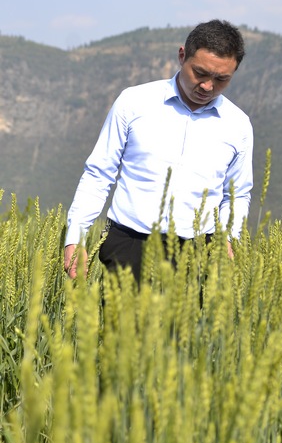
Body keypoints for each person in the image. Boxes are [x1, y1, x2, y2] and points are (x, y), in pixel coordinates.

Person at [64, 19, 253, 282]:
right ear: (181, 56)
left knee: (190, 326)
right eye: (200, 73)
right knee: (123, 325)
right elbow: (99, 173)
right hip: (129, 245)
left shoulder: (238, 124)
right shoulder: (133, 102)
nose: (208, 86)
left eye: (221, 79)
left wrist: (229, 239)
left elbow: (238, 193)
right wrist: (76, 237)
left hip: (201, 251)